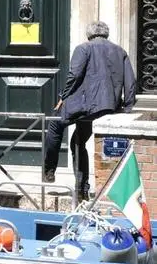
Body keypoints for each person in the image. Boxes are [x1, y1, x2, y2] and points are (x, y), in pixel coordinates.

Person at [44, 21, 136, 202]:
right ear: (106, 34)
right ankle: (81, 190)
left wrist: (63, 96)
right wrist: (127, 106)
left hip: (85, 106)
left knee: (55, 125)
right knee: (77, 141)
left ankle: (49, 169)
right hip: (108, 106)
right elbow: (130, 82)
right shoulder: (120, 51)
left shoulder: (83, 48)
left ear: (89, 34)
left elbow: (74, 75)